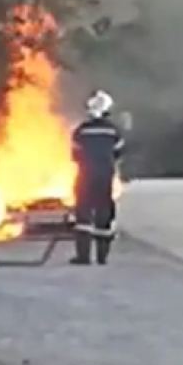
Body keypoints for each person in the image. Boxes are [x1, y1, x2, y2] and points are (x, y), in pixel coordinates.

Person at [70, 90, 125, 265]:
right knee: (104, 213)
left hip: (85, 176)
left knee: (83, 215)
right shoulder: (114, 131)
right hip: (105, 176)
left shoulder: (81, 131)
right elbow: (118, 153)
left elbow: (75, 155)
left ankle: (83, 256)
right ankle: (102, 257)